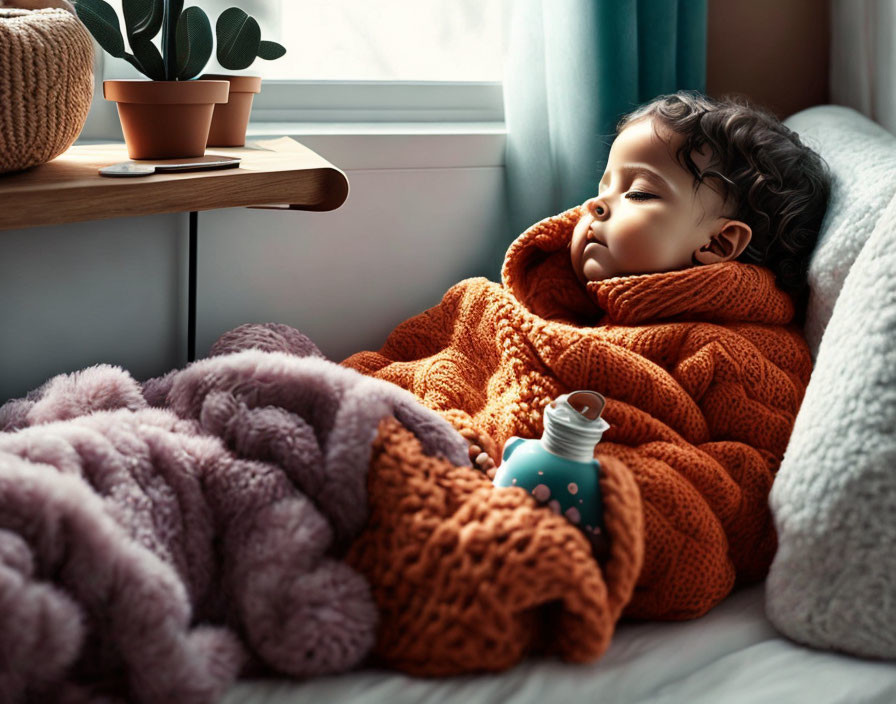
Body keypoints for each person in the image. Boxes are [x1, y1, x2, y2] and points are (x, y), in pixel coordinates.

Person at [341, 89, 829, 621]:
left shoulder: (742, 350)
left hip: (551, 493)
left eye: (638, 194)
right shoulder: (547, 307)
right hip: (453, 443)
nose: (596, 205)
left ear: (717, 244)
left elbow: (750, 483)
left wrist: (591, 493)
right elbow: (440, 354)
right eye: (603, 187)